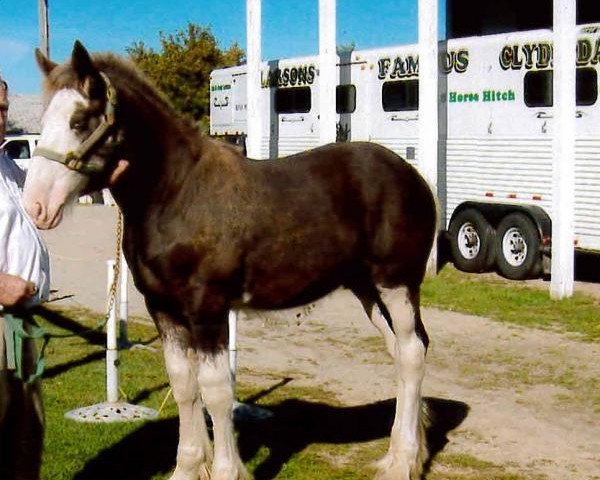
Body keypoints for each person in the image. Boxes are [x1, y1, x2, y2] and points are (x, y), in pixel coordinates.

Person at [0, 75, 50, 480]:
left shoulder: (7, 165)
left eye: (2, 108)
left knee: (27, 431)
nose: (0, 118)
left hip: (24, 323)